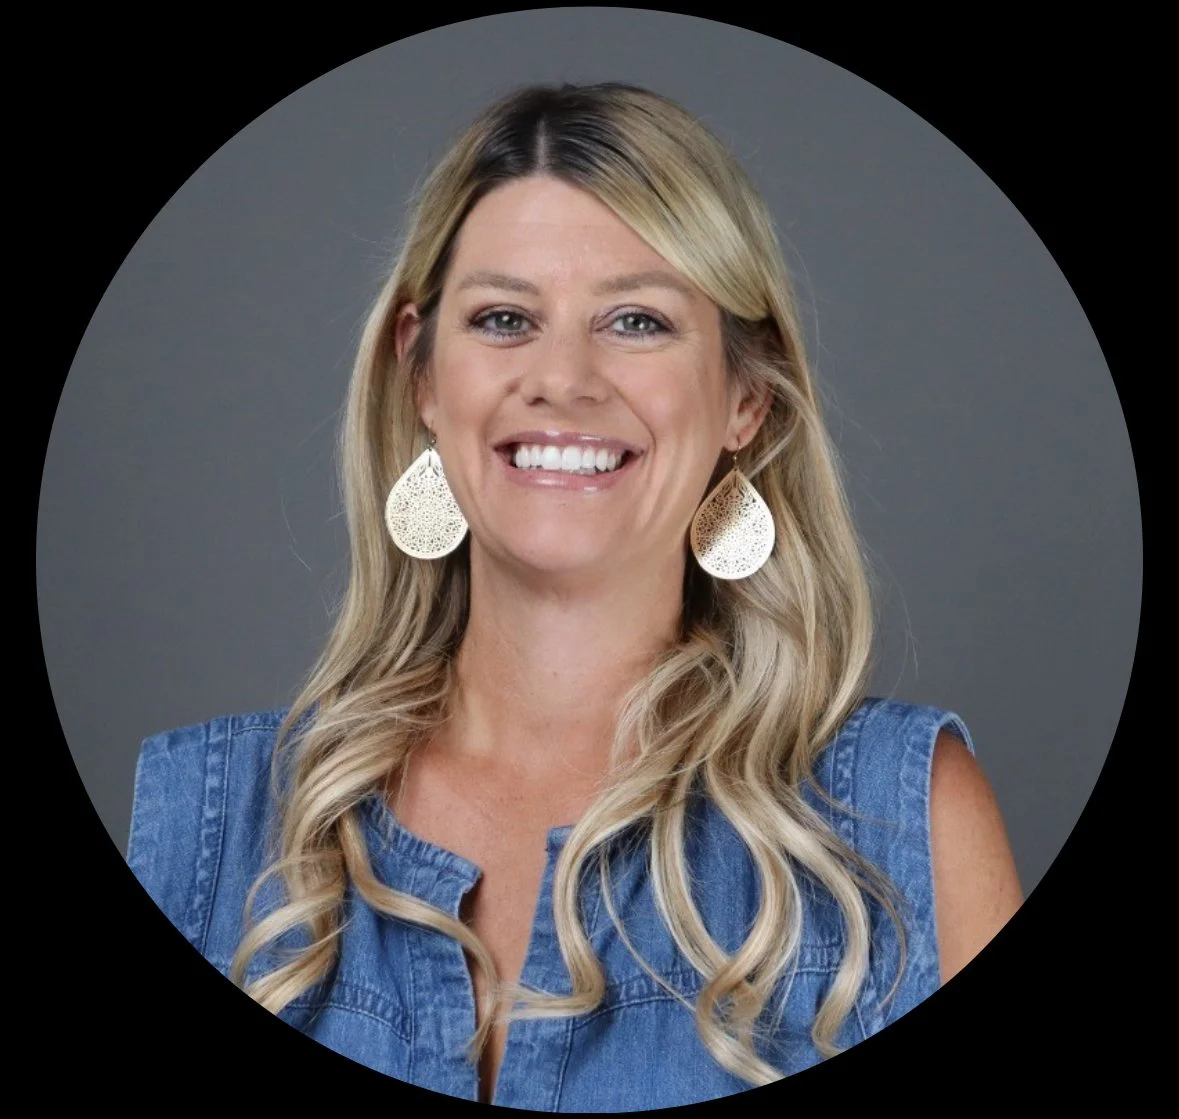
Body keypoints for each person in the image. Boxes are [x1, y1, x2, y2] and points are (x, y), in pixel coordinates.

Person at [126, 82, 1022, 1109]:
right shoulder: (205, 825)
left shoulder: (902, 827)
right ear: (423, 377)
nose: (563, 377)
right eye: (505, 318)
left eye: (635, 320)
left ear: (744, 397)